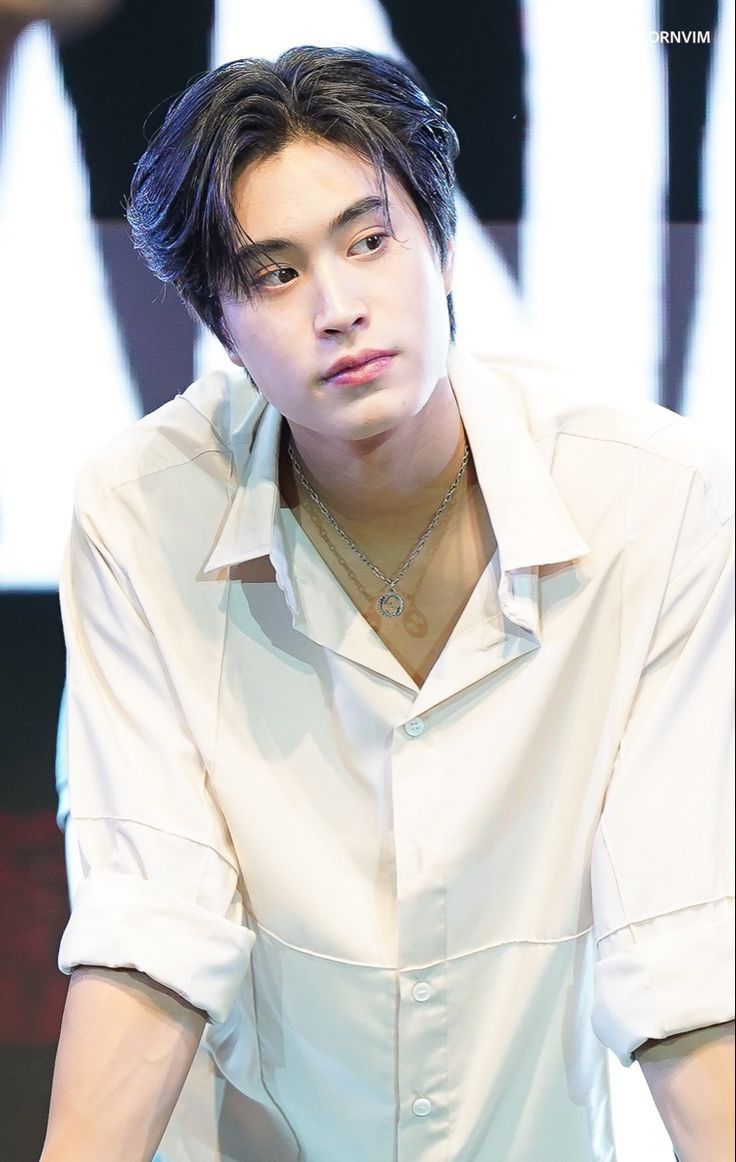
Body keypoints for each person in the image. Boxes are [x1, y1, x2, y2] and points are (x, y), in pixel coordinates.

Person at [41, 46, 733, 1162]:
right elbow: (150, 916)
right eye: (275, 274)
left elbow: (682, 937)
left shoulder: (654, 498)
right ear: (219, 324)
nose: (338, 309)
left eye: (369, 242)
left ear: (443, 244)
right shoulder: (140, 510)